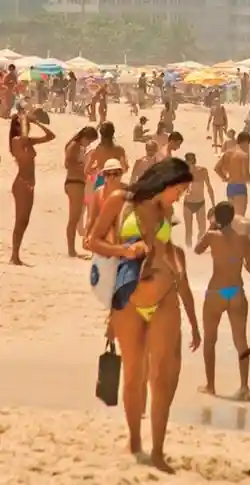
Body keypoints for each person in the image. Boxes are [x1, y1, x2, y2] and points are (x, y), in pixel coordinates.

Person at [88, 158, 196, 473]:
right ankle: (135, 441)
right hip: (130, 298)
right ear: (165, 183)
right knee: (134, 375)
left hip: (165, 297)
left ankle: (159, 449)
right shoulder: (120, 201)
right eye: (180, 189)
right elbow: (91, 240)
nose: (180, 195)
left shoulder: (166, 211)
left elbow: (166, 251)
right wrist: (126, 252)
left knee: (163, 377)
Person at [195, 202, 250, 398]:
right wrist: (237, 260)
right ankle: (244, 386)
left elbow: (197, 249)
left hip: (216, 291)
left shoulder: (212, 236)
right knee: (241, 341)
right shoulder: (243, 239)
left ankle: (211, 385)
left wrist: (211, 226)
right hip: (236, 291)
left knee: (210, 340)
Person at [9, 111, 56, 265]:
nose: (27, 127)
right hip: (22, 183)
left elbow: (51, 136)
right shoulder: (17, 140)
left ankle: (16, 254)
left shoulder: (28, 142)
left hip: (29, 184)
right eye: (25, 125)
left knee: (25, 220)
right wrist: (23, 119)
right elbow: (23, 137)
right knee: (20, 220)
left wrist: (36, 123)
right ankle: (14, 255)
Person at [64, 126, 98, 258]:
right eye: (89, 141)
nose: (89, 144)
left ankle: (72, 249)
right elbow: (69, 164)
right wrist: (85, 168)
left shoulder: (79, 147)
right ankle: (71, 250)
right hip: (74, 182)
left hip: (78, 182)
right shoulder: (74, 145)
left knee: (76, 217)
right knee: (73, 219)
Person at [214, 131, 250, 216]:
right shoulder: (243, 155)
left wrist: (225, 178)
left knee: (232, 217)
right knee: (240, 217)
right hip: (240, 187)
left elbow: (217, 168)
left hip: (230, 187)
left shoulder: (228, 153)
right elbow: (245, 175)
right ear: (246, 142)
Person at [83, 159, 125, 249]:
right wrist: (86, 235)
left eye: (116, 174)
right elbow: (92, 217)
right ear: (104, 176)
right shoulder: (99, 192)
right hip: (104, 236)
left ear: (121, 174)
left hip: (122, 235)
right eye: (108, 174)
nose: (112, 177)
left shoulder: (127, 191)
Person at [183, 153, 215, 248]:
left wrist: (213, 203)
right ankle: (188, 249)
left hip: (200, 202)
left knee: (202, 228)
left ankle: (197, 246)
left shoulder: (203, 171)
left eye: (190, 161)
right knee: (188, 230)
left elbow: (209, 187)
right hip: (188, 203)